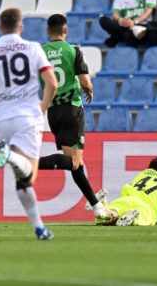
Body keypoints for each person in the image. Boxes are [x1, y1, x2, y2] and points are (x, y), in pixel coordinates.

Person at [0, 8, 58, 240]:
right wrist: (43, 106)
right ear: (21, 27)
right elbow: (52, 83)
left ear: (0, 27)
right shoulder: (33, 48)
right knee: (28, 177)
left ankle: (39, 228)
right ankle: (9, 156)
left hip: (0, 119)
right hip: (27, 118)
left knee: (21, 180)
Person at [38, 14, 115, 221]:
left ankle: (96, 205)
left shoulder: (40, 53)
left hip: (53, 113)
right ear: (65, 31)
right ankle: (31, 163)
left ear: (48, 31)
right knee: (74, 162)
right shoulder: (73, 50)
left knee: (76, 164)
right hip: (72, 109)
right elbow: (85, 82)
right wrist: (89, 90)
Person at [87, 156, 157, 226]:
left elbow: (126, 188)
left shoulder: (142, 174)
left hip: (126, 200)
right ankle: (132, 218)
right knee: (139, 221)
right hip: (145, 209)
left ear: (150, 166)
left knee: (107, 217)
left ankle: (103, 204)